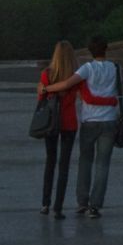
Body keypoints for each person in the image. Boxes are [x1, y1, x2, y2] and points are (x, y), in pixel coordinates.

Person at [39, 35, 120, 218]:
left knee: (84, 161)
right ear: (106, 49)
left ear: (90, 51)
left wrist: (46, 89)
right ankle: (95, 205)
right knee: (103, 165)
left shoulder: (87, 69)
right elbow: (117, 91)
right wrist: (111, 101)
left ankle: (80, 202)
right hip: (108, 121)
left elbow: (69, 85)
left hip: (89, 121)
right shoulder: (116, 68)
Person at [35, 40, 80, 217]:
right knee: (64, 165)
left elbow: (41, 99)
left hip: (50, 122)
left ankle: (45, 203)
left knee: (50, 161)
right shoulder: (75, 76)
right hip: (69, 122)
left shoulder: (46, 74)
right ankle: (58, 207)